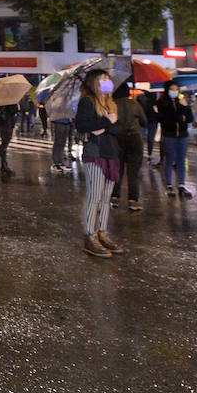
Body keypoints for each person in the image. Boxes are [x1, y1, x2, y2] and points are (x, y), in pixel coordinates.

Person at [74, 70, 123, 258]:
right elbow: (82, 125)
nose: (107, 82)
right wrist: (105, 122)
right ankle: (89, 235)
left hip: (111, 153)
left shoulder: (110, 104)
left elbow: (119, 128)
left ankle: (103, 232)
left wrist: (104, 125)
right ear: (94, 82)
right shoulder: (87, 102)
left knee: (106, 198)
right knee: (94, 196)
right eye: (103, 79)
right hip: (95, 153)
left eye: (108, 79)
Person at [110, 83, 147, 211]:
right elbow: (144, 121)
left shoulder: (112, 105)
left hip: (117, 139)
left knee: (117, 169)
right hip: (134, 139)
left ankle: (114, 197)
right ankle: (133, 200)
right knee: (133, 171)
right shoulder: (135, 104)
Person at [157, 81, 194, 198]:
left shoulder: (181, 102)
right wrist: (179, 116)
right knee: (169, 160)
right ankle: (169, 185)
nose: (174, 91)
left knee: (181, 161)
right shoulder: (162, 103)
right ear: (168, 90)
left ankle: (181, 185)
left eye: (176, 89)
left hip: (182, 135)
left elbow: (189, 119)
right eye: (172, 89)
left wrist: (186, 107)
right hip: (169, 135)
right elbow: (165, 119)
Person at [138, 90, 160, 165]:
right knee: (145, 139)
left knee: (147, 139)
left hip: (150, 121)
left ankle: (148, 154)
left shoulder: (155, 99)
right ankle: (145, 154)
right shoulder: (141, 98)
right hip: (146, 121)